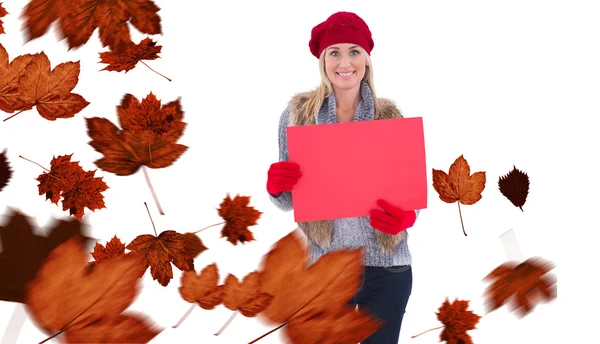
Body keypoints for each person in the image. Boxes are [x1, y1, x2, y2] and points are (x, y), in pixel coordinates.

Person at [266, 11, 421, 344]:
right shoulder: (297, 116)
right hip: (325, 271)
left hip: (385, 269)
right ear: (322, 60)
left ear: (366, 58)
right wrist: (277, 186)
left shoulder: (389, 117)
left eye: (354, 51)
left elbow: (411, 197)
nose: (344, 61)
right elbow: (287, 201)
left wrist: (405, 217)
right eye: (334, 52)